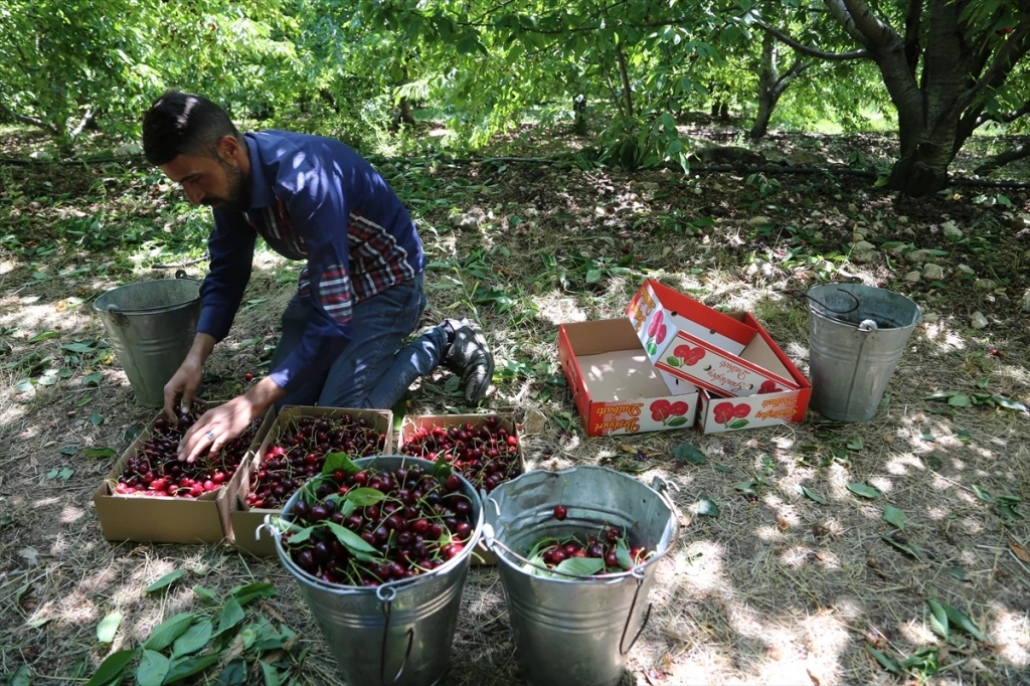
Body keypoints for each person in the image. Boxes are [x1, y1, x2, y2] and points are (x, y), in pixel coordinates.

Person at [141, 91, 494, 463]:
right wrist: (195, 357)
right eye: (183, 184)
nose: (193, 196)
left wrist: (248, 401)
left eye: (195, 179)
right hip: (331, 279)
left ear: (229, 149)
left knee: (344, 420)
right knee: (284, 413)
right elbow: (228, 270)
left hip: (388, 281)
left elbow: (333, 324)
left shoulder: (306, 182)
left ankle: (444, 339)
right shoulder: (230, 183)